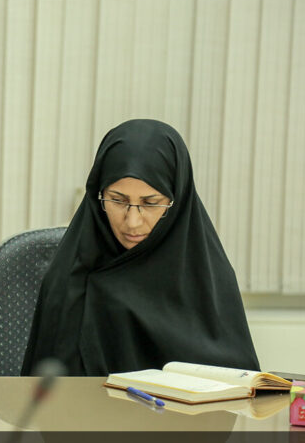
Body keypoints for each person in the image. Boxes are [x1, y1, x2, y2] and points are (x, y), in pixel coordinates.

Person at [21, 119, 260, 376]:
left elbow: (238, 383)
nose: (132, 222)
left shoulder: (209, 280)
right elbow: (51, 391)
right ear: (97, 195)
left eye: (151, 203)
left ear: (178, 201)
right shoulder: (69, 280)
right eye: (117, 200)